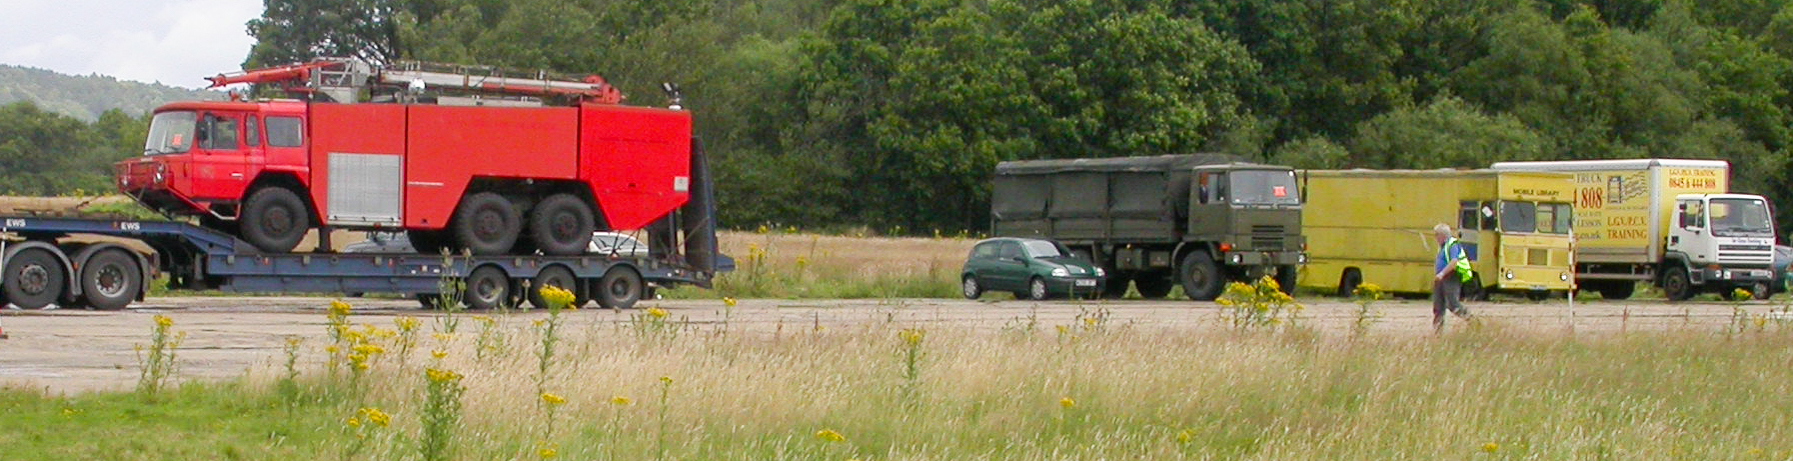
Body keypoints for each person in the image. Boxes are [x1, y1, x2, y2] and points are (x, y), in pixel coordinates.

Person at [1432, 223, 1474, 333]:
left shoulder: (1452, 245)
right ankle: (1438, 333)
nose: (1435, 238)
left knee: (1452, 304)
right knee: (1438, 306)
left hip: (1451, 277)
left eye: (1436, 235)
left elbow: (1454, 262)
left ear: (1442, 235)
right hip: (1440, 279)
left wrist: (1442, 274)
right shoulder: (1442, 246)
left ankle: (1473, 321)